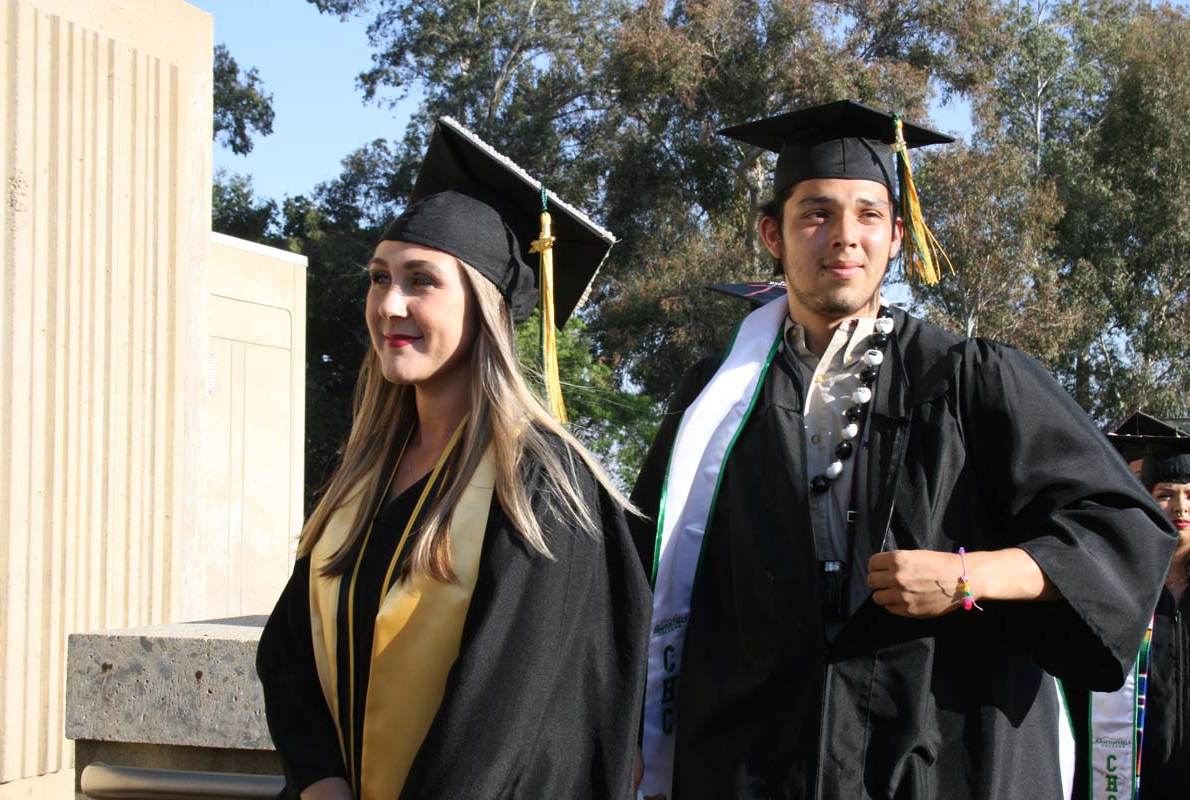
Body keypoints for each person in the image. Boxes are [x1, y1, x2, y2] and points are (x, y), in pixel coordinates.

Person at [628, 99, 1176, 800]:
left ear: (896, 238)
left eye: (868, 215)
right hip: (754, 761)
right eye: (816, 213)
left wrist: (968, 578)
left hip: (937, 750)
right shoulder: (714, 402)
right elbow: (642, 576)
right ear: (773, 233)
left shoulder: (971, 379)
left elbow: (1120, 528)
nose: (843, 237)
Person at [256, 117, 651, 800]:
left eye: (421, 281)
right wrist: (319, 782)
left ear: (486, 306)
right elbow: (288, 652)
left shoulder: (542, 487)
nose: (390, 304)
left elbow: (500, 724)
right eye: (380, 278)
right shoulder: (365, 475)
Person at [1066, 412, 1190, 800]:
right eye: (1166, 494)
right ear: (1148, 500)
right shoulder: (1119, 580)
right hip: (1131, 765)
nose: (1181, 508)